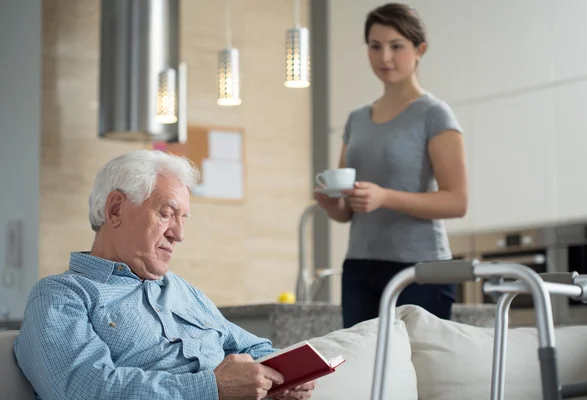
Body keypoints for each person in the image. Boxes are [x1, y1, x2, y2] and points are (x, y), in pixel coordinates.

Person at [14, 149, 315, 400]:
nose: (179, 234)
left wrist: (286, 376)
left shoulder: (181, 290)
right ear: (116, 209)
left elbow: (251, 347)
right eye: (166, 214)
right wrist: (213, 388)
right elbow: (85, 389)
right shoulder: (61, 295)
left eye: (183, 219)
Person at [314, 3, 468, 329]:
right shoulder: (356, 119)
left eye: (396, 46)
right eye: (375, 46)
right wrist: (333, 203)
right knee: (366, 372)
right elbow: (346, 212)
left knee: (420, 373)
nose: (384, 57)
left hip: (420, 269)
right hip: (359, 267)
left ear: (419, 50)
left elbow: (457, 201)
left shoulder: (435, 114)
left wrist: (386, 197)